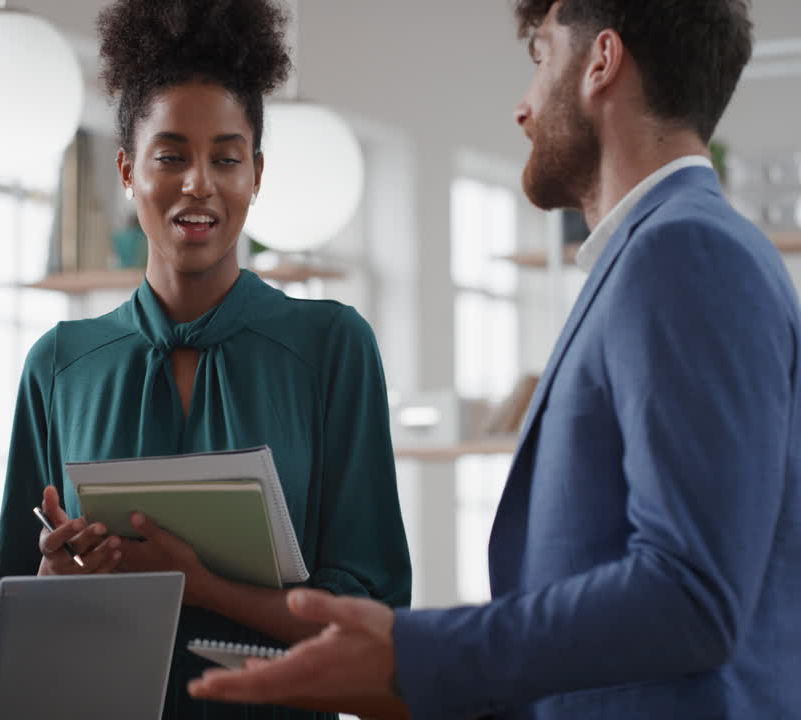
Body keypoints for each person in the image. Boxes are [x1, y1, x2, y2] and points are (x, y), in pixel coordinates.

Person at [189, 1, 801, 718]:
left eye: (541, 57)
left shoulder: (684, 252)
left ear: (601, 63)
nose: (522, 105)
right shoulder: (668, 253)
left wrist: (415, 655)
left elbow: (691, 594)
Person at [0, 1, 411, 718]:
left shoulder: (332, 347)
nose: (199, 185)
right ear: (127, 170)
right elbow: (11, 618)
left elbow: (369, 615)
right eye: (172, 155)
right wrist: (52, 573)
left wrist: (198, 583)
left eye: (226, 158)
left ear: (257, 173)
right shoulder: (58, 366)